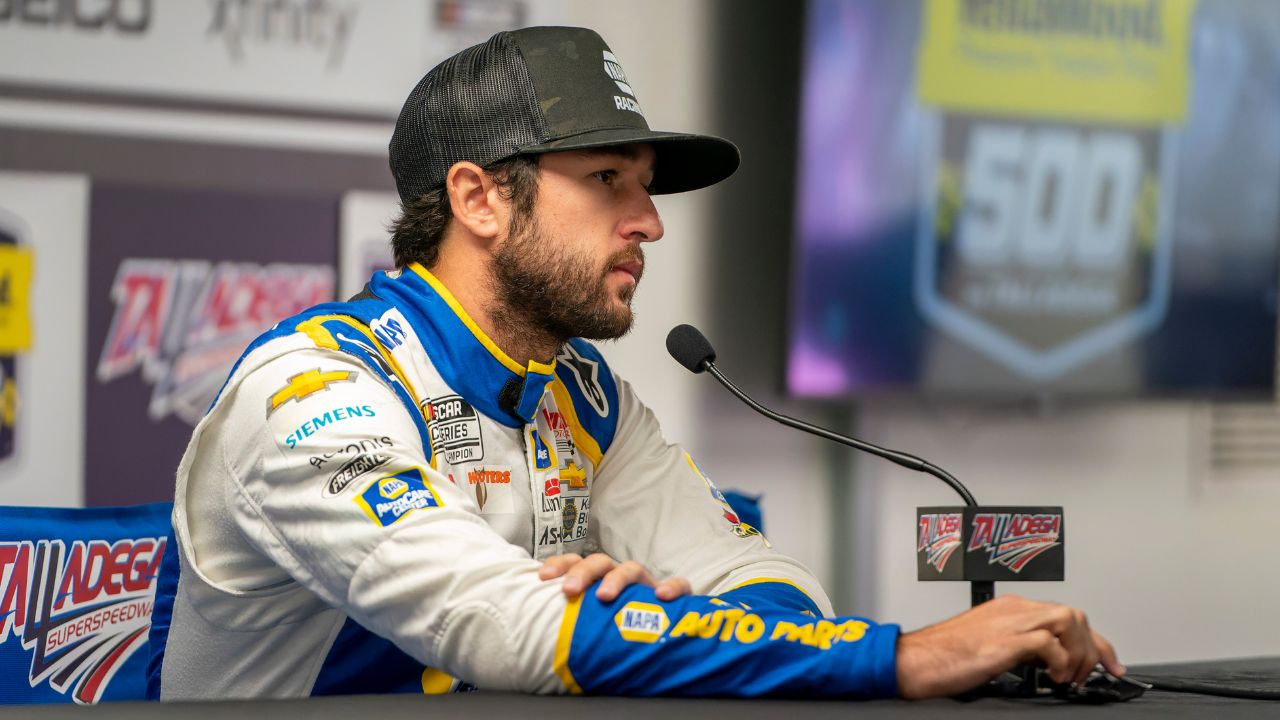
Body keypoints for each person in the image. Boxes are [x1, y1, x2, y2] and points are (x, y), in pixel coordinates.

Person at [147, 26, 1122, 701]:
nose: (649, 223)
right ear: (479, 199)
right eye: (607, 180)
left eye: (645, 188)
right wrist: (893, 659)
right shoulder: (312, 394)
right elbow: (507, 630)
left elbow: (760, 575)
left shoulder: (580, 396)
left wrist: (668, 616)